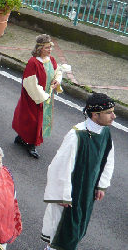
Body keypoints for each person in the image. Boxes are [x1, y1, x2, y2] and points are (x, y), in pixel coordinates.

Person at [41, 93, 115, 250]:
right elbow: (59, 167)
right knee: (61, 233)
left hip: (86, 192)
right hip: (70, 195)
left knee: (77, 231)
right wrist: (63, 196)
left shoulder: (105, 132)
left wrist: (101, 185)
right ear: (95, 115)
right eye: (109, 112)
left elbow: (107, 158)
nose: (114, 116)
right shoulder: (76, 135)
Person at [12, 34, 63, 159]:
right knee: (33, 121)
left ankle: (21, 137)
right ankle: (31, 144)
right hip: (35, 98)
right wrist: (42, 96)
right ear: (39, 49)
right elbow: (30, 83)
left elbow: (57, 72)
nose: (49, 50)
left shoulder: (51, 60)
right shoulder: (33, 62)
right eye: (46, 48)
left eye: (50, 47)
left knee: (38, 120)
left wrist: (57, 80)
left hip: (46, 97)